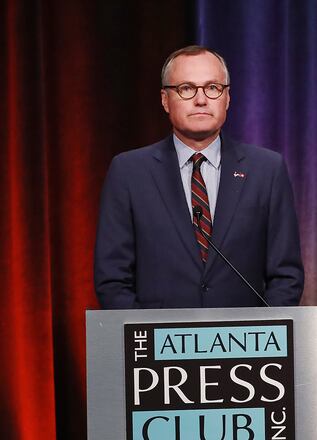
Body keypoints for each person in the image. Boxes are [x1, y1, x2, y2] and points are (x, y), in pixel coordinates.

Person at [94, 45, 303, 309]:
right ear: (164, 99)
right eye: (186, 88)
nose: (201, 99)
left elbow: (286, 276)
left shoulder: (267, 170)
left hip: (245, 344)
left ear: (227, 98)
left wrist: (266, 334)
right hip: (159, 344)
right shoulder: (128, 172)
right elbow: (112, 279)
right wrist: (148, 339)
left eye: (213, 88)